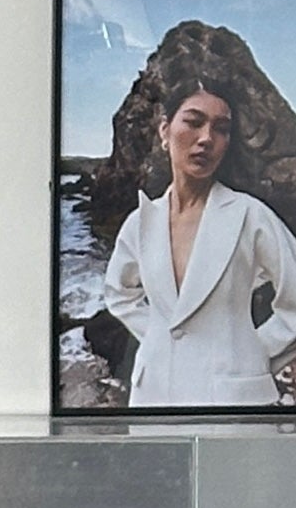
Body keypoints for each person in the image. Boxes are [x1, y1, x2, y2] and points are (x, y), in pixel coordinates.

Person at [101, 81, 296, 407]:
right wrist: (159, 336)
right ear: (165, 130)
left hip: (233, 401)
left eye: (221, 129)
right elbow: (119, 292)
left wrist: (253, 351)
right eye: (193, 122)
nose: (206, 138)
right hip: (154, 395)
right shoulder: (141, 222)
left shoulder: (250, 215)